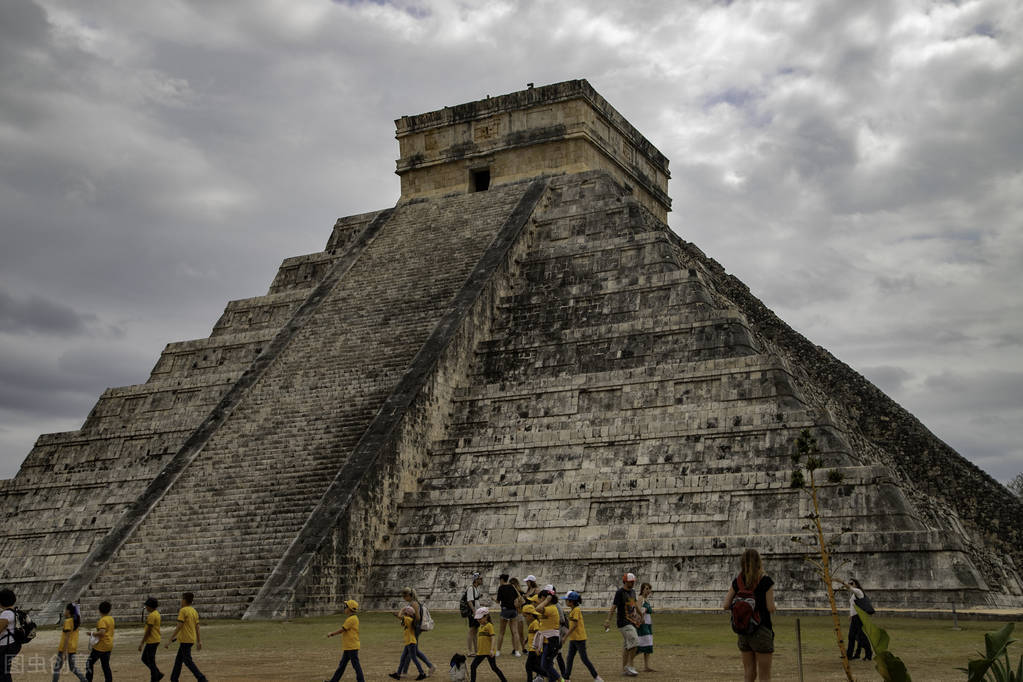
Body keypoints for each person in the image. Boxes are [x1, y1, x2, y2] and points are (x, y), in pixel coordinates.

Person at [722, 548, 776, 682]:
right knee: (764, 676)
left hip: (744, 630)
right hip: (762, 630)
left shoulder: (738, 581)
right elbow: (770, 608)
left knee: (749, 674)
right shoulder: (765, 581)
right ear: (759, 562)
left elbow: (726, 605)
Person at [603, 572, 641, 677]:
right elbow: (614, 607)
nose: (632, 583)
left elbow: (635, 605)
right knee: (635, 641)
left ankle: (625, 669)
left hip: (632, 621)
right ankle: (630, 665)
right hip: (623, 622)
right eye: (630, 582)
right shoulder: (620, 592)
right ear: (625, 582)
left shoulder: (633, 591)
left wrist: (640, 615)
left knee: (626, 645)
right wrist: (608, 620)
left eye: (633, 582)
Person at [165, 592, 206, 682]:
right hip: (191, 639)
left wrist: (170, 639)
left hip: (185, 640)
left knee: (187, 661)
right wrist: (199, 641)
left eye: (182, 599)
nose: (181, 601)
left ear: (184, 600)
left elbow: (179, 626)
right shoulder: (194, 611)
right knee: (179, 660)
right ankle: (174, 678)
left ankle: (201, 678)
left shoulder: (183, 611)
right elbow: (197, 627)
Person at [564, 591, 602, 682]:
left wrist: (565, 636)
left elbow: (574, 625)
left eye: (567, 600)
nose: (565, 602)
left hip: (579, 639)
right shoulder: (573, 610)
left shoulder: (576, 610)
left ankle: (596, 677)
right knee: (569, 658)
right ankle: (566, 678)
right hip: (574, 639)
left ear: (572, 601)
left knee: (584, 659)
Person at [325, 599, 365, 682]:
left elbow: (342, 630)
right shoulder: (352, 618)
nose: (344, 608)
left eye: (345, 607)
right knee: (342, 665)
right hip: (349, 646)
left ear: (350, 609)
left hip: (352, 646)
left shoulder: (351, 619)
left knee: (356, 665)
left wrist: (331, 634)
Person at [401, 587, 436, 675]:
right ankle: (404, 671)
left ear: (409, 595)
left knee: (411, 651)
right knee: (412, 651)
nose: (404, 599)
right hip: (414, 629)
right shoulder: (413, 603)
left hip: (415, 629)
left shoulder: (414, 604)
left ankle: (404, 672)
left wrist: (408, 620)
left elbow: (417, 618)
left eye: (404, 596)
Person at [470, 608, 507, 682]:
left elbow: (493, 637)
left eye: (480, 618)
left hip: (489, 652)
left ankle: (504, 680)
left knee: (494, 668)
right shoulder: (481, 626)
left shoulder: (489, 626)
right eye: (478, 619)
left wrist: (492, 650)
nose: (478, 620)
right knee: (473, 666)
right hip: (481, 652)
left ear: (486, 616)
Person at [390, 605, 426, 680]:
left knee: (414, 658)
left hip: (411, 642)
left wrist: (402, 609)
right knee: (403, 658)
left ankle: (422, 673)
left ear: (408, 613)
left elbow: (399, 616)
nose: (404, 613)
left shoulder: (408, 619)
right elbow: (400, 619)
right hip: (408, 642)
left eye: (406, 612)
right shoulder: (409, 619)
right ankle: (398, 674)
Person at [534, 589, 563, 682]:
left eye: (541, 599)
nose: (540, 601)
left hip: (552, 641)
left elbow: (538, 609)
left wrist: (547, 600)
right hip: (547, 641)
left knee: (546, 665)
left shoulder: (551, 608)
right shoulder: (547, 609)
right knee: (547, 665)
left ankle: (561, 680)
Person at [53, 602, 87, 682]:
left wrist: (64, 652)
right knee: (73, 668)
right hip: (73, 648)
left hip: (64, 648)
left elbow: (66, 638)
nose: (64, 611)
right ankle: (84, 680)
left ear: (68, 611)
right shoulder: (76, 622)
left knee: (57, 668)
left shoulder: (68, 622)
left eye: (65, 610)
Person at [85, 601, 115, 682]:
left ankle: (88, 680)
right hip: (108, 645)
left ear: (99, 610)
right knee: (105, 665)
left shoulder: (102, 620)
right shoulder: (111, 619)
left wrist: (91, 633)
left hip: (100, 647)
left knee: (89, 663)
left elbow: (102, 633)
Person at [495, 574, 522, 657]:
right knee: (515, 632)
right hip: (513, 610)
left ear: (502, 580)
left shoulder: (501, 588)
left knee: (501, 632)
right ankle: (517, 651)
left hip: (505, 610)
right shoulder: (512, 587)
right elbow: (518, 597)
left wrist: (493, 600)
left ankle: (498, 651)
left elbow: (498, 601)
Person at [846, 579, 873, 661]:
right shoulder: (854, 594)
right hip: (855, 617)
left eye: (852, 583)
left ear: (856, 584)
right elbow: (853, 606)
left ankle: (869, 652)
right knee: (852, 636)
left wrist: (841, 582)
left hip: (858, 617)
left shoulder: (858, 591)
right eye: (849, 583)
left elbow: (851, 589)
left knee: (860, 636)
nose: (850, 584)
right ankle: (849, 655)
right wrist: (851, 615)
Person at [138, 597, 162, 681]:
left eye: (147, 605)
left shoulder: (152, 616)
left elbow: (148, 631)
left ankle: (155, 677)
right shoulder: (156, 613)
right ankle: (157, 674)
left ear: (150, 606)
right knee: (146, 659)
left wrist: (141, 643)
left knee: (150, 661)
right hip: (155, 639)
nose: (146, 607)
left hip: (152, 640)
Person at [521, 605, 544, 682]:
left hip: (534, 648)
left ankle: (550, 675)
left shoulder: (535, 623)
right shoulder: (532, 623)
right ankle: (549, 675)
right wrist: (527, 640)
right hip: (532, 648)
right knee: (533, 666)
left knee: (529, 666)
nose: (525, 618)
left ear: (531, 615)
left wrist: (538, 647)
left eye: (526, 616)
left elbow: (539, 634)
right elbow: (532, 634)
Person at [1, 589, 19, 682]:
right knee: (5, 671)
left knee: (2, 673)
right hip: (12, 644)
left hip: (4, 646)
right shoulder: (14, 611)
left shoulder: (6, 613)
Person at [465, 572, 485, 655]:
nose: (481, 580)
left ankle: (476, 649)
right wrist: (474, 612)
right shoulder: (471, 588)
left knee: (475, 631)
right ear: (476, 580)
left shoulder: (476, 589)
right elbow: (469, 601)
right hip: (473, 613)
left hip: (476, 612)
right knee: (471, 631)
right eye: (480, 579)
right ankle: (470, 651)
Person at [636, 583, 655, 672]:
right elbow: (638, 610)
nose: (648, 591)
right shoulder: (640, 598)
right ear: (642, 589)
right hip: (642, 623)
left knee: (648, 644)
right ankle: (629, 660)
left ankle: (646, 666)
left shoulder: (646, 600)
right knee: (642, 644)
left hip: (648, 624)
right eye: (646, 589)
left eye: (649, 589)